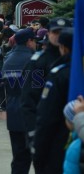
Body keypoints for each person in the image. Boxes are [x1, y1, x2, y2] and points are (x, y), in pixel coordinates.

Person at [21, 18, 72, 156]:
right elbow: (30, 98)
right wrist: (32, 131)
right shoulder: (39, 62)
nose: (58, 36)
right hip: (46, 126)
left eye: (62, 32)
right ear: (48, 34)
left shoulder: (76, 61)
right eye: (55, 32)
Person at [33, 27, 74, 173]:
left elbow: (47, 117)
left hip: (61, 144)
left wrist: (38, 152)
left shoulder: (59, 74)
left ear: (62, 47)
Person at [2, 28, 36, 173]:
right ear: (29, 41)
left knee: (18, 157)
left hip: (13, 111)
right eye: (34, 41)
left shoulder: (8, 59)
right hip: (31, 113)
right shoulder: (33, 59)